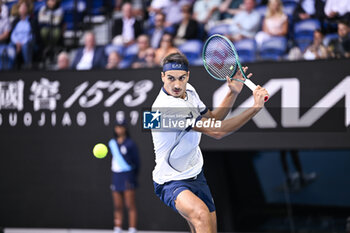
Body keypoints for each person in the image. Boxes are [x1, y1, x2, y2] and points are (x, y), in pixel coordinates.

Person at [151, 52, 268, 232]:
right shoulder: (167, 107)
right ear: (162, 76)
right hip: (171, 180)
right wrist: (255, 108)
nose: (176, 84)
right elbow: (217, 131)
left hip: (196, 174)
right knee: (201, 215)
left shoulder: (189, 90)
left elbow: (214, 118)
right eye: (170, 78)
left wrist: (233, 93)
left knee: (209, 228)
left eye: (181, 78)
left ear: (188, 76)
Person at [109, 120, 140, 233]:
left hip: (127, 176)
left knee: (130, 204)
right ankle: (117, 228)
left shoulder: (130, 144)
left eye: (121, 127)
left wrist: (132, 176)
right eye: (117, 127)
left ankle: (132, 229)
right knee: (117, 205)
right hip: (116, 176)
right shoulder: (112, 143)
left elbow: (137, 162)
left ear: (125, 129)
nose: (119, 129)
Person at [10, 0, 35, 69]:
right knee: (10, 46)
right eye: (21, 7)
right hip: (16, 42)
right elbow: (13, 35)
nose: (23, 9)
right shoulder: (16, 21)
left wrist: (22, 43)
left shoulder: (31, 20)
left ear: (27, 9)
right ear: (18, 9)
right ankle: (11, 67)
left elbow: (31, 35)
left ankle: (28, 65)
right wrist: (17, 42)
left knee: (25, 46)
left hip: (27, 42)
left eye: (24, 7)